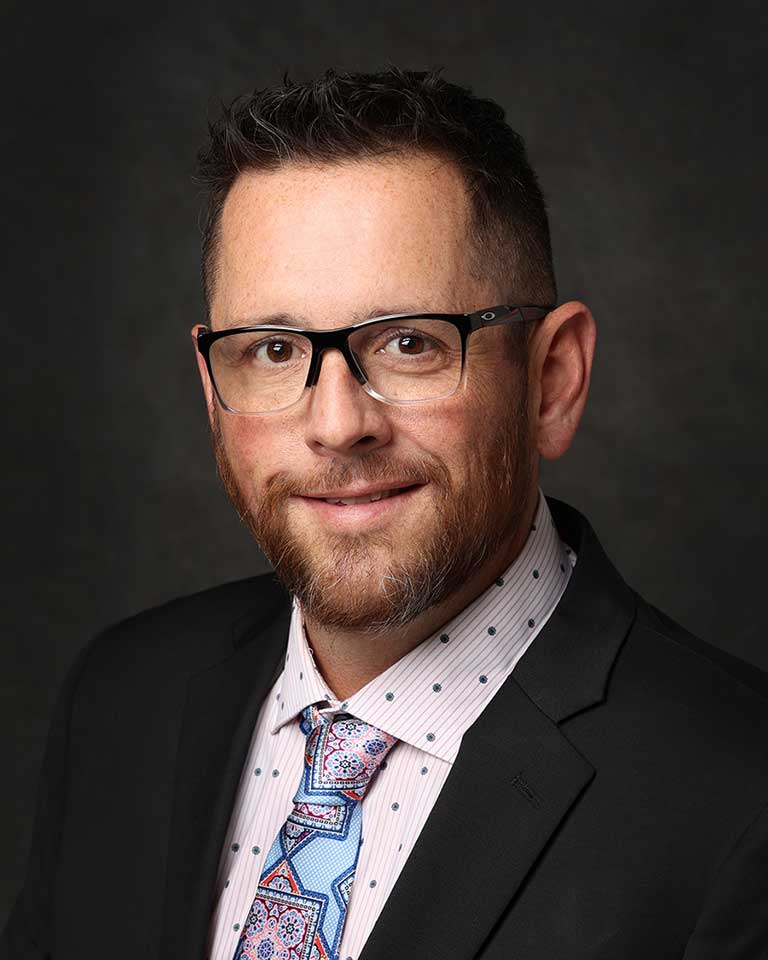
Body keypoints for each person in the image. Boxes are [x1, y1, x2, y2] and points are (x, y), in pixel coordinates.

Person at [3, 66, 767, 960]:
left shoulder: (739, 802)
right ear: (213, 390)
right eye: (275, 349)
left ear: (552, 381)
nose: (337, 425)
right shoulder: (123, 696)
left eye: (409, 343)